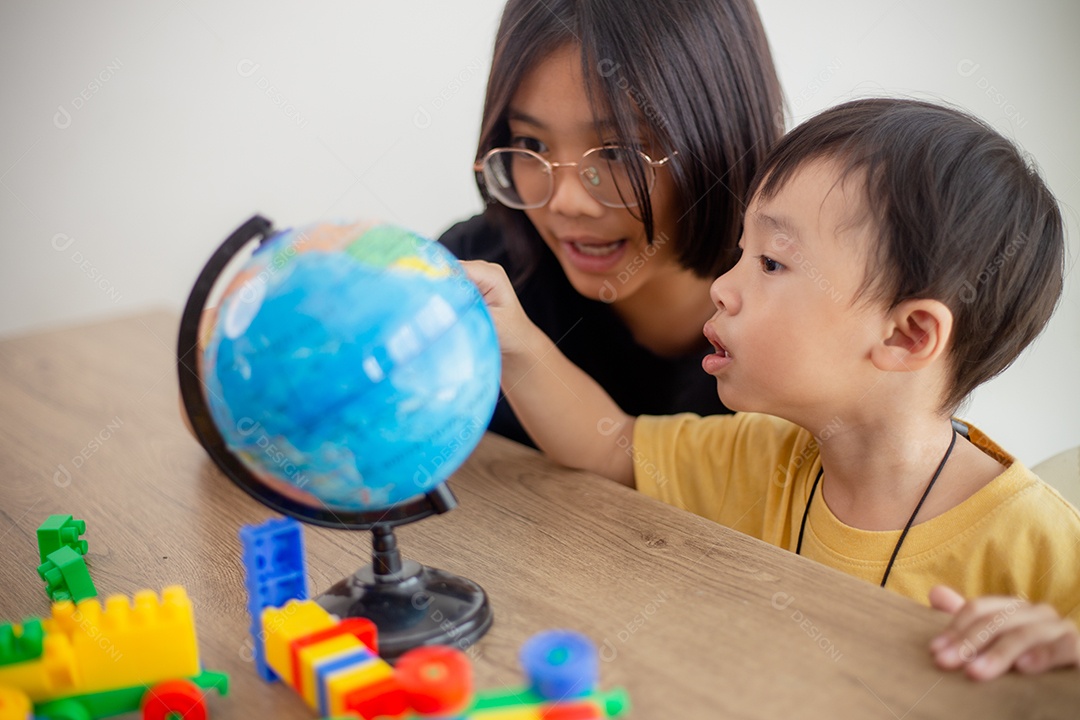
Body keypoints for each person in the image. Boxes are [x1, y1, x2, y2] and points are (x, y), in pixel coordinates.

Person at [463, 98, 1080, 680]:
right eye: (741, 252)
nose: (722, 288)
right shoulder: (765, 457)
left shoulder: (1037, 543)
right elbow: (611, 446)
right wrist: (514, 338)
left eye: (772, 263)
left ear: (908, 334)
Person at [440, 0, 783, 446]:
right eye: (531, 142)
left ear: (722, 134)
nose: (566, 201)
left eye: (618, 151)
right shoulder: (476, 275)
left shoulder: (802, 325)